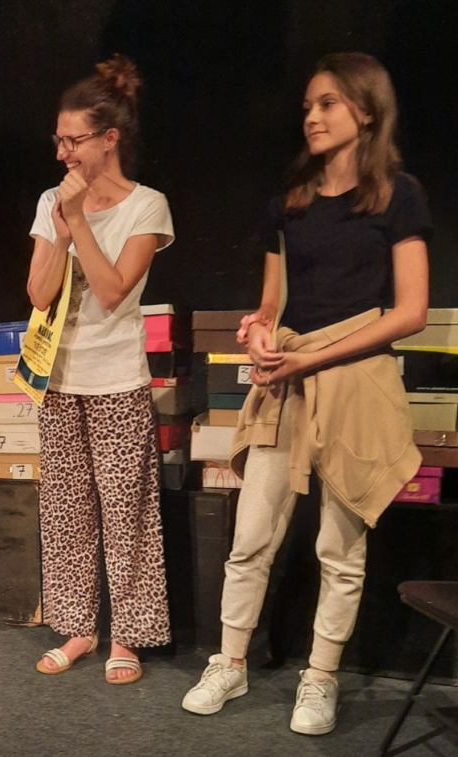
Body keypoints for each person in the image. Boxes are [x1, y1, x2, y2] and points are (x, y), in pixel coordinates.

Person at [181, 53, 431, 735]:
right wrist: (260, 333)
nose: (312, 117)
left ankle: (320, 678)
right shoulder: (288, 204)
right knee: (251, 535)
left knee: (339, 548)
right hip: (289, 380)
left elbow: (410, 311)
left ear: (366, 111)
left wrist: (313, 356)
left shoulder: (399, 196)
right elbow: (272, 302)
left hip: (357, 382)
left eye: (328, 104)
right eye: (307, 107)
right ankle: (230, 661)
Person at [25, 55, 174, 684]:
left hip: (116, 380)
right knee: (66, 513)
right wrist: (60, 230)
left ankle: (127, 636)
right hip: (59, 380)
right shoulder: (50, 202)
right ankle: (78, 628)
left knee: (125, 514)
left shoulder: (148, 206)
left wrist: (81, 219)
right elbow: (38, 293)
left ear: (109, 138)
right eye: (59, 140)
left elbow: (113, 292)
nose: (63, 153)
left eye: (74, 140)